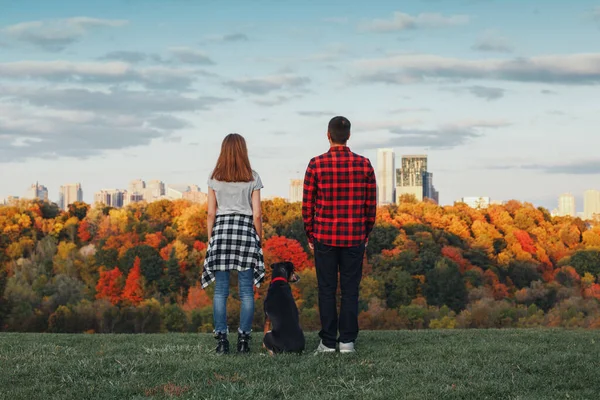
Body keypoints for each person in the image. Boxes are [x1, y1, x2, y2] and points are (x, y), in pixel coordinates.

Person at [302, 116, 377, 354]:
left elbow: (307, 206)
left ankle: (327, 342)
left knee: (326, 289)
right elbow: (370, 206)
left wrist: (310, 235)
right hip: (355, 236)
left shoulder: (316, 164)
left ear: (328, 135)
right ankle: (347, 341)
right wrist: (366, 233)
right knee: (350, 290)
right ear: (349, 136)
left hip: (325, 236)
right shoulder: (364, 164)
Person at [202, 133, 265, 355]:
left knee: (221, 291)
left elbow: (211, 213)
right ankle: (244, 341)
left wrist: (211, 239)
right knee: (246, 292)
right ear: (243, 151)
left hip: (221, 232)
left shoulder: (214, 177)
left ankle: (221, 341)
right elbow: (257, 214)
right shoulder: (253, 177)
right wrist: (259, 239)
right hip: (245, 232)